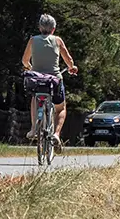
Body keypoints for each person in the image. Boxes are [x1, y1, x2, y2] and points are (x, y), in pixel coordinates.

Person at [20, 15, 77, 146]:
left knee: (35, 98)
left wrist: (29, 67)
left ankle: (34, 128)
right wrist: (71, 67)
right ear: (53, 29)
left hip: (37, 80)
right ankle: (56, 134)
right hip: (54, 80)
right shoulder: (57, 40)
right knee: (61, 108)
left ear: (40, 27)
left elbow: (24, 60)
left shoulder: (33, 40)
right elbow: (68, 59)